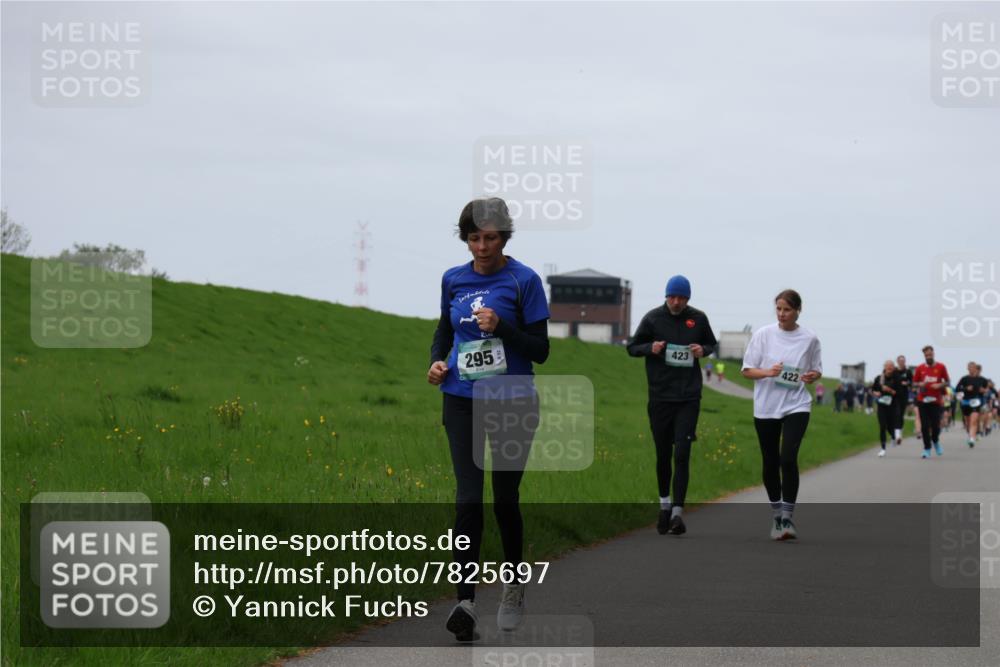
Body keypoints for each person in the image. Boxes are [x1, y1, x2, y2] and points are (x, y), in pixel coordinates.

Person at [427, 197, 550, 641]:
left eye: (491, 238)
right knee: (467, 499)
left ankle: (514, 587)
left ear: (505, 237)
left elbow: (541, 350)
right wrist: (437, 361)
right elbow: (444, 329)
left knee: (503, 500)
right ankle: (465, 603)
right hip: (460, 397)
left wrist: (501, 326)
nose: (482, 247)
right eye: (474, 238)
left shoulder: (524, 280)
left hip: (513, 399)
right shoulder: (452, 280)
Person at [627, 275, 718, 536]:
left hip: (688, 397)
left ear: (688, 298)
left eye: (681, 297)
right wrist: (650, 347)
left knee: (683, 453)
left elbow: (712, 343)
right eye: (672, 297)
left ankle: (678, 512)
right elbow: (632, 347)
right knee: (663, 454)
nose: (676, 302)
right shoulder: (653, 318)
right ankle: (664, 505)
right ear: (666, 296)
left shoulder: (698, 318)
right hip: (660, 396)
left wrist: (703, 349)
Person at [741, 289, 822, 540]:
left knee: (788, 458)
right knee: (770, 461)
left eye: (787, 309)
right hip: (766, 406)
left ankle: (787, 518)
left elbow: (816, 370)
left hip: (797, 404)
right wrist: (768, 373)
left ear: (798, 310)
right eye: (778, 308)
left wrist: (812, 376)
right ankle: (776, 514)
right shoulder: (763, 335)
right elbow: (746, 371)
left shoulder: (809, 339)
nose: (782, 314)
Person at [913, 345, 950, 459]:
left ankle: (936, 441)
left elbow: (948, 382)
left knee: (935, 426)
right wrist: (920, 384)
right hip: (922, 400)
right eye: (926, 355)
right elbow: (914, 383)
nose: (928, 356)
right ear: (924, 356)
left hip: (935, 401)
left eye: (930, 354)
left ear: (933, 354)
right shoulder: (920, 368)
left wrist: (939, 384)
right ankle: (927, 448)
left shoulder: (941, 367)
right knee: (924, 426)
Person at [872, 361, 904, 457]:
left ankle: (894, 436)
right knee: (882, 426)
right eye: (888, 366)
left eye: (891, 366)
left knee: (891, 426)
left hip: (893, 405)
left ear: (894, 368)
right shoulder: (879, 378)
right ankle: (883, 448)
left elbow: (900, 393)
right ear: (884, 367)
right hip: (882, 405)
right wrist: (876, 393)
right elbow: (873, 389)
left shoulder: (897, 378)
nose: (889, 368)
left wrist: (890, 390)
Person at [957, 362, 988, 448]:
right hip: (965, 402)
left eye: (973, 367)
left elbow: (986, 389)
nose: (971, 369)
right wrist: (966, 388)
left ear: (975, 368)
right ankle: (970, 434)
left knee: (973, 420)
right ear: (967, 368)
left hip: (976, 402)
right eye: (969, 367)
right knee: (968, 422)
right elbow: (957, 389)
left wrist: (984, 390)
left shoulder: (982, 380)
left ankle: (972, 438)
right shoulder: (964, 379)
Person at [893, 356, 912, 445]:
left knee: (900, 415)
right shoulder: (894, 371)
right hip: (895, 396)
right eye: (900, 361)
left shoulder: (908, 372)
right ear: (897, 361)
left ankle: (899, 432)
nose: (901, 362)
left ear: (905, 361)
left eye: (903, 361)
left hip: (904, 396)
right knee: (896, 413)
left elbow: (912, 382)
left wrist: (907, 383)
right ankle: (897, 435)